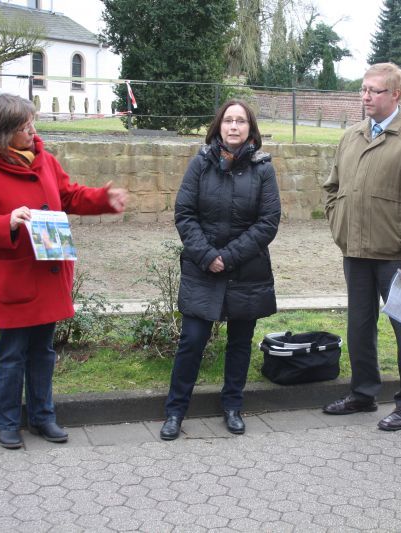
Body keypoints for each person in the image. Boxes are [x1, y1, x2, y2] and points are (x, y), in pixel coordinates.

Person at [0, 93, 128, 449]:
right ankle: (6, 421)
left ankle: (42, 417)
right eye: (23, 127)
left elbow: (69, 195)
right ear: (2, 132)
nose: (32, 130)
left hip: (48, 274)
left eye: (31, 123)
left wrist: (102, 198)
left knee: (43, 352)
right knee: (11, 354)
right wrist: (8, 221)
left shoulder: (45, 161)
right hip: (15, 278)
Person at [159, 99, 281, 441]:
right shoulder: (200, 163)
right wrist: (207, 255)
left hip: (245, 269)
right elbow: (184, 213)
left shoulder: (263, 169)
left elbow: (268, 222)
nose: (234, 126)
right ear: (219, 126)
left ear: (250, 128)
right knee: (192, 340)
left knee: (240, 342)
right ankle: (174, 411)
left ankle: (232, 406)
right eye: (228, 120)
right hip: (203, 268)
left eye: (241, 121)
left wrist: (227, 257)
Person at [322, 63, 401, 430]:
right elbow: (332, 187)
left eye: (375, 91)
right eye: (363, 90)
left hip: (396, 257)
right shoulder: (351, 136)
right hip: (355, 251)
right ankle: (363, 393)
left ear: (396, 94)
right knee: (359, 326)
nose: (366, 96)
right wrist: (339, 223)